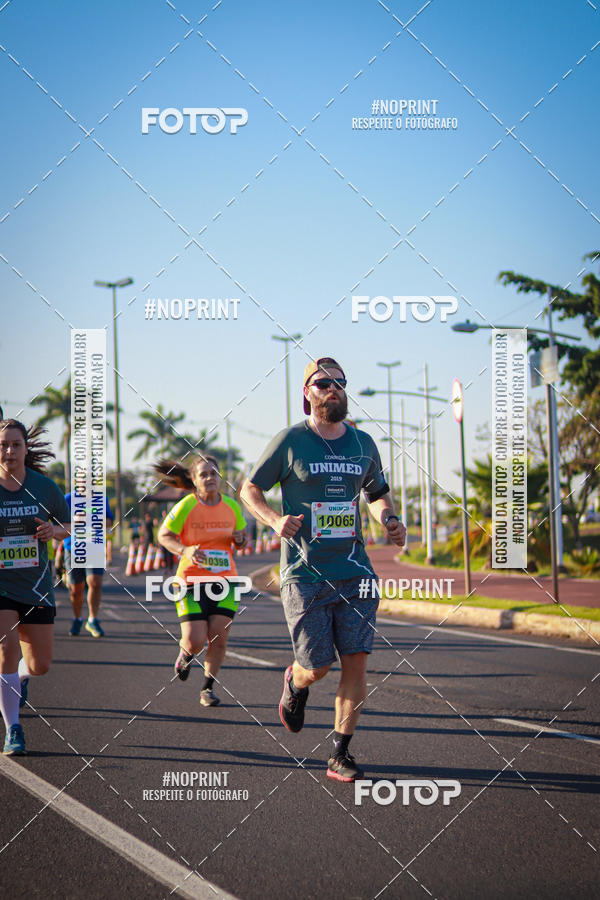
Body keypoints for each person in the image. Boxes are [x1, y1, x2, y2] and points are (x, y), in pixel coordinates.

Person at [240, 357, 406, 782]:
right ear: (307, 394)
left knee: (356, 663)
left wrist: (388, 519)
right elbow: (250, 488)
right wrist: (276, 520)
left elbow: (377, 492)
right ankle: (296, 685)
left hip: (355, 571)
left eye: (340, 382)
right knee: (317, 667)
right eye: (323, 382)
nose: (333, 388)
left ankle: (340, 753)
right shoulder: (291, 441)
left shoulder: (364, 443)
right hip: (304, 572)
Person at [0, 419, 70, 755]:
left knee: (41, 664)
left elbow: (70, 524)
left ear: (26, 449)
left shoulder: (44, 487)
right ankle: (13, 728)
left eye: (15, 444)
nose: (9, 451)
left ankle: (23, 677)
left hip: (37, 587)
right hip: (1, 586)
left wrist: (52, 532)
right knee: (5, 653)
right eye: (3, 445)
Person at [156, 455, 248, 707]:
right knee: (196, 640)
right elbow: (164, 535)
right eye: (203, 474)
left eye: (213, 473)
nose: (209, 478)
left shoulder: (231, 506)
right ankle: (186, 654)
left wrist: (240, 539)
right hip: (190, 581)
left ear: (220, 477)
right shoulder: (186, 505)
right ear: (194, 481)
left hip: (225, 581)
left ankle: (207, 689)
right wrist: (185, 550)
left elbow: (240, 542)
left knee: (218, 638)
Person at [63, 493, 113, 637]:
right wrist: (75, 520)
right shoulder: (68, 499)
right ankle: (77, 618)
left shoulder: (101, 498)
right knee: (76, 589)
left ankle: (92, 619)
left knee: (95, 582)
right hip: (73, 548)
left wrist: (94, 519)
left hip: (94, 547)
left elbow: (109, 522)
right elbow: (59, 523)